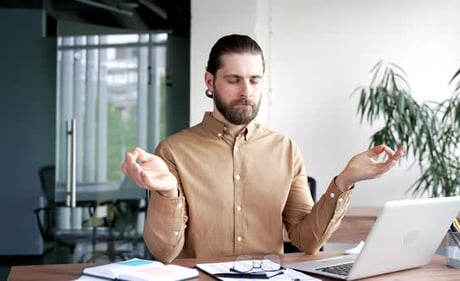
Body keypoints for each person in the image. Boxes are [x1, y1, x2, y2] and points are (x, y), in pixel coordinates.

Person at [121, 34, 405, 263]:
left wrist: (344, 182)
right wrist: (167, 192)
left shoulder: (285, 149)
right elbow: (165, 253)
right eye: (234, 80)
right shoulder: (173, 151)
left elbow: (307, 241)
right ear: (210, 82)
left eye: (254, 80)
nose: (246, 91)